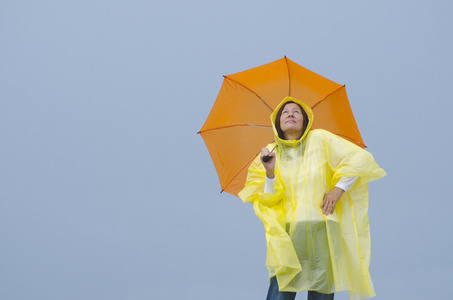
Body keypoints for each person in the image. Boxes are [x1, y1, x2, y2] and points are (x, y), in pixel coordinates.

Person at [238, 97, 386, 300]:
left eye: (296, 111)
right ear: (277, 122)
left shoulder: (321, 139)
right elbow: (267, 201)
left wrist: (338, 189)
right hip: (288, 236)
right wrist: (270, 173)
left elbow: (359, 159)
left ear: (305, 121)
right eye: (285, 112)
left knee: (321, 294)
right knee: (280, 293)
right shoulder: (268, 154)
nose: (290, 114)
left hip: (322, 231)